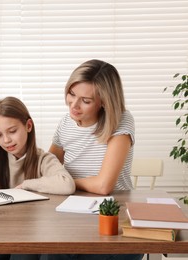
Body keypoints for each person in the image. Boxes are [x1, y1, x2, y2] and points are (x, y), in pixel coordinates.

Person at [0, 96, 76, 260]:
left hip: (31, 233)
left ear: (28, 126)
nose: (6, 140)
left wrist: (26, 184)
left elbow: (66, 184)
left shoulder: (43, 159)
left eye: (12, 131)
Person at [42, 59, 142, 260]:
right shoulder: (66, 123)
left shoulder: (121, 120)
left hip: (113, 215)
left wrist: (65, 183)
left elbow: (104, 185)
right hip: (70, 212)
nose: (74, 106)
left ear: (104, 101)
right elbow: (46, 168)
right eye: (72, 94)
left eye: (86, 101)